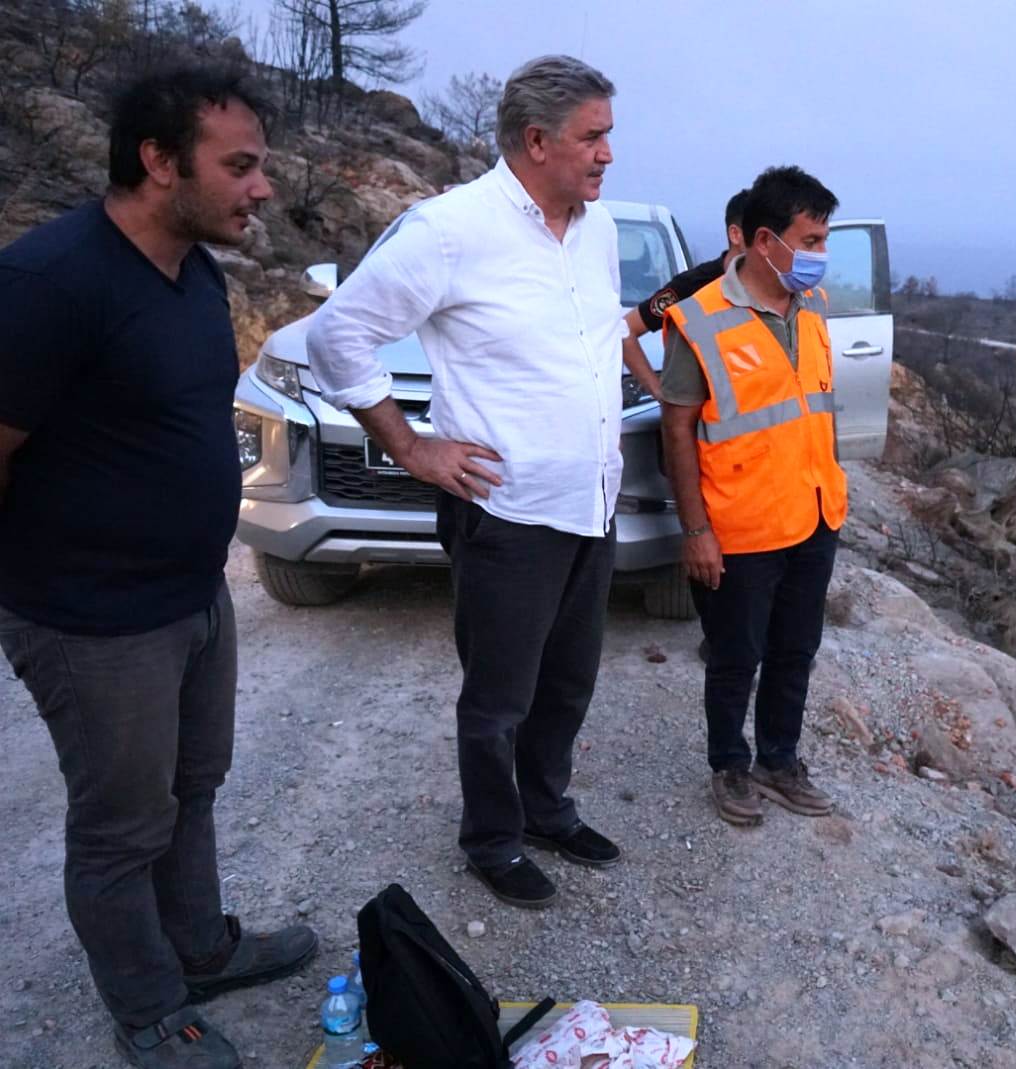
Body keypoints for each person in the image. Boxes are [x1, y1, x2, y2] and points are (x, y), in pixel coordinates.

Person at [0, 68, 317, 1068]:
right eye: (240, 165)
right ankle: (146, 1004)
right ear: (159, 160)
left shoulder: (194, 272)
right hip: (93, 618)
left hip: (192, 594)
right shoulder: (51, 282)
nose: (261, 188)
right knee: (122, 824)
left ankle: (200, 947)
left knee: (193, 786)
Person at [307, 55, 625, 909]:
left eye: (608, 136)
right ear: (536, 140)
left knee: (568, 682)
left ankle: (547, 810)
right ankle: (492, 837)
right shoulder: (450, 230)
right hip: (507, 512)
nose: (607, 154)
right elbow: (337, 337)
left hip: (590, 503)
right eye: (593, 137)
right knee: (499, 697)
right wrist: (411, 447)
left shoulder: (598, 229)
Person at [658, 165, 846, 827]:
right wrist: (695, 531)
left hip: (814, 513)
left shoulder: (813, 307)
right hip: (740, 526)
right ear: (766, 241)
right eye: (811, 240)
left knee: (796, 650)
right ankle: (729, 766)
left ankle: (778, 760)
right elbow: (676, 428)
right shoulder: (698, 319)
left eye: (825, 240)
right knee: (736, 657)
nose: (821, 254)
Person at [619, 188, 749, 400]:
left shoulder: (778, 287)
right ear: (736, 235)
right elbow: (625, 331)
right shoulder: (693, 285)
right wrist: (660, 393)